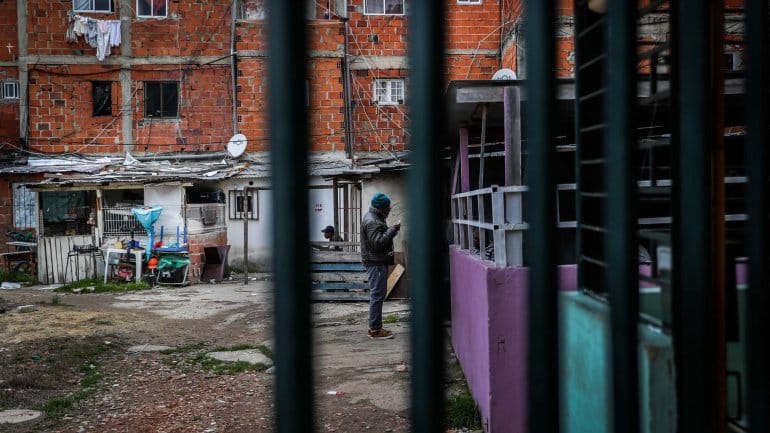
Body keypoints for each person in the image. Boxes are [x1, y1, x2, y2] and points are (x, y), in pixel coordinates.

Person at [361, 192, 401, 339]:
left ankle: (375, 327)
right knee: (377, 295)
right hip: (376, 263)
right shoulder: (373, 221)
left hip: (376, 262)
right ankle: (375, 330)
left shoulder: (375, 218)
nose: (390, 209)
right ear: (382, 208)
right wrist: (393, 229)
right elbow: (378, 244)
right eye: (388, 207)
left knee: (377, 294)